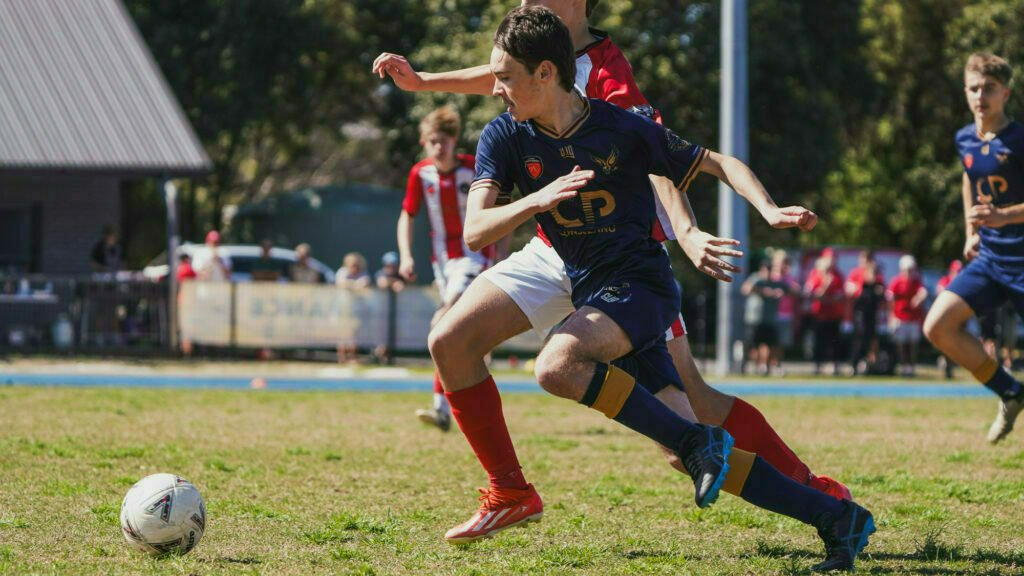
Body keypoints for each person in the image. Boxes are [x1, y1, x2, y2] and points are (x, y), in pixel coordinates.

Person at [426, 8, 874, 571]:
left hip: (638, 284)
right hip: (575, 274)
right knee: (674, 440)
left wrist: (765, 209)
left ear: (546, 73)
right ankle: (835, 517)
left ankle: (704, 445)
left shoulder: (619, 122)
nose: (494, 89)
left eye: (505, 77)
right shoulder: (503, 134)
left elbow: (714, 162)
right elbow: (475, 230)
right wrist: (535, 202)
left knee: (557, 368)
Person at [923, 52, 1024, 444]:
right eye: (974, 88)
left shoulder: (1019, 139)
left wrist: (1004, 216)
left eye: (989, 89)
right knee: (937, 326)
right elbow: (969, 178)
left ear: (1006, 93)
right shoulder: (964, 137)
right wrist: (972, 228)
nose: (981, 95)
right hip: (990, 259)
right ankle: (1010, 391)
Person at [398, 107, 499, 432]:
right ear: (423, 143)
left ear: (454, 141)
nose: (438, 147)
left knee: (442, 320)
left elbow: (502, 205)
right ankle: (463, 403)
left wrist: (501, 248)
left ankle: (441, 407)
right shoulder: (420, 174)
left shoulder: (474, 168)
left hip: (474, 256)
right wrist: (405, 257)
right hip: (443, 263)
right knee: (460, 337)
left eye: (443, 141)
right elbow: (407, 216)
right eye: (431, 142)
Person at [741, 258, 787, 376]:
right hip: (754, 319)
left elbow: (791, 289)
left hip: (769, 320)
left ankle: (766, 367)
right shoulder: (756, 278)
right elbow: (746, 289)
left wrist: (780, 292)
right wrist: (763, 291)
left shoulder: (774, 281)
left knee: (771, 345)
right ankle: (751, 367)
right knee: (753, 345)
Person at [804, 248, 846, 376]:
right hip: (819, 314)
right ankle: (818, 365)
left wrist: (827, 298)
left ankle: (835, 366)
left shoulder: (838, 275)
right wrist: (826, 286)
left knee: (834, 341)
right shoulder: (815, 274)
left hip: (834, 314)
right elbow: (812, 294)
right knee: (819, 341)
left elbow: (841, 296)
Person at [887, 255, 928, 377]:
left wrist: (919, 298)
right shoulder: (896, 281)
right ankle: (903, 365)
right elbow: (890, 300)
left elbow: (923, 292)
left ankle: (911, 367)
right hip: (900, 317)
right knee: (901, 344)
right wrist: (891, 316)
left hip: (913, 318)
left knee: (912, 344)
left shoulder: (917, 281)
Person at [846, 250, 885, 375]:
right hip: (860, 311)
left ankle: (867, 363)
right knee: (859, 336)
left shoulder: (877, 275)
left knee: (870, 338)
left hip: (871, 312)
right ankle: (854, 363)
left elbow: (882, 292)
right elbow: (850, 289)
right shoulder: (856, 274)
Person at [336, 252, 372, 364]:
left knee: (355, 333)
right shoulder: (342, 272)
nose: (354, 267)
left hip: (357, 309)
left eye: (356, 264)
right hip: (343, 308)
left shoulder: (363, 273)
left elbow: (365, 283)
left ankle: (353, 357)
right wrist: (354, 285)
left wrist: (351, 285)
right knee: (342, 333)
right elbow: (341, 282)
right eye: (351, 264)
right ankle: (342, 358)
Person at [769, 250, 801, 374]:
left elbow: (796, 290)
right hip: (770, 314)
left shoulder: (789, 278)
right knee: (768, 342)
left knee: (780, 343)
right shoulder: (770, 276)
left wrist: (786, 289)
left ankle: (776, 364)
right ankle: (765, 365)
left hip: (785, 314)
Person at [934, 260, 962, 378]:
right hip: (945, 320)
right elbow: (940, 292)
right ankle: (945, 362)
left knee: (955, 345)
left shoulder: (963, 282)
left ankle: (949, 366)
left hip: (959, 321)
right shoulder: (945, 281)